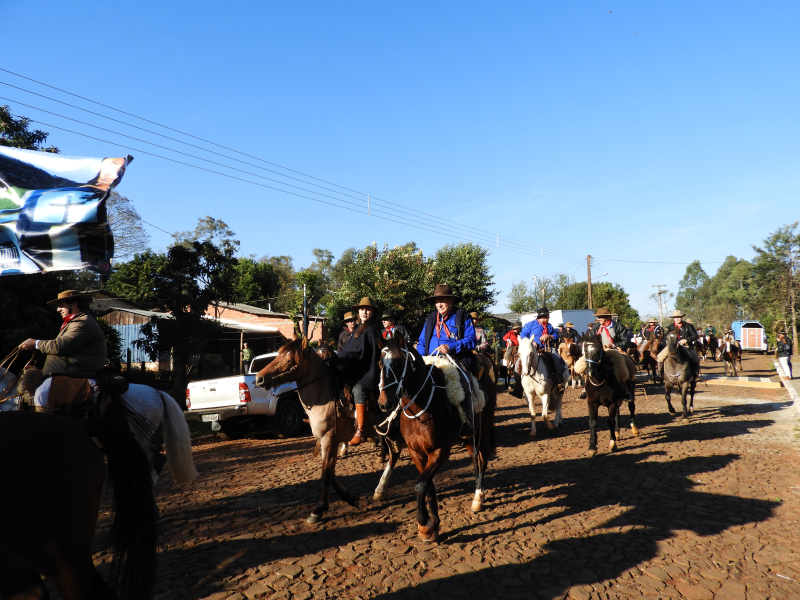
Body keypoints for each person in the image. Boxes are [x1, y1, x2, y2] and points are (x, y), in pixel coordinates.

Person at [18, 290, 107, 410]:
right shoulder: (75, 322)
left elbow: (59, 347)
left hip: (76, 372)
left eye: (61, 306)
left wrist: (35, 343)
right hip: (66, 370)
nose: (58, 309)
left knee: (41, 394)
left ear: (73, 305)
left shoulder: (83, 322)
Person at [417, 284, 478, 439]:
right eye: (437, 301)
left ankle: (467, 422)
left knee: (465, 383)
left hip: (455, 358)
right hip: (430, 359)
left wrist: (451, 347)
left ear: (451, 301)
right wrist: (419, 358)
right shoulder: (431, 318)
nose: (439, 304)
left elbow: (471, 341)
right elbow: (422, 342)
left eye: (442, 300)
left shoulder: (462, 316)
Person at [337, 298, 382, 446]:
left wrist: (344, 360)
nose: (364, 312)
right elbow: (349, 351)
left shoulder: (371, 330)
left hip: (368, 371)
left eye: (368, 309)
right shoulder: (359, 328)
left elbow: (362, 355)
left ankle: (361, 430)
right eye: (362, 309)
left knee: (357, 389)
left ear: (372, 312)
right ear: (358, 312)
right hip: (356, 368)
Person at [520, 306, 566, 391]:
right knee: (517, 364)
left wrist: (549, 336)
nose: (548, 318)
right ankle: (518, 387)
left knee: (557, 359)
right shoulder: (530, 325)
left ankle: (558, 381)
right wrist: (531, 342)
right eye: (548, 316)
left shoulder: (549, 326)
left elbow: (556, 337)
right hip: (532, 350)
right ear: (543, 316)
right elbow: (522, 335)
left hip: (547, 349)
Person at [657, 310, 700, 376]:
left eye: (678, 317)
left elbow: (695, 336)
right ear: (673, 318)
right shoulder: (669, 327)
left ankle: (695, 374)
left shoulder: (688, 326)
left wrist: (686, 340)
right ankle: (660, 374)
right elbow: (664, 338)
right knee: (660, 356)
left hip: (686, 346)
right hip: (672, 347)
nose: (677, 319)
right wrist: (669, 345)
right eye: (675, 317)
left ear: (681, 317)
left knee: (694, 357)